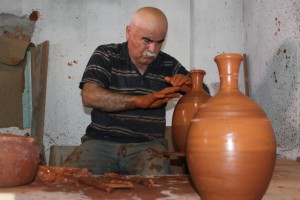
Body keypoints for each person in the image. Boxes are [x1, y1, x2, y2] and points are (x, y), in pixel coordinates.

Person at [63, 6, 208, 175]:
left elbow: (204, 96)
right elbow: (90, 96)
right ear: (128, 32)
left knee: (158, 187)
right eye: (146, 40)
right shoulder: (106, 55)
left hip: (148, 146)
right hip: (100, 142)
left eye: (159, 42)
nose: (153, 50)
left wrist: (188, 86)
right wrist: (139, 101)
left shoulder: (168, 64)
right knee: (66, 182)